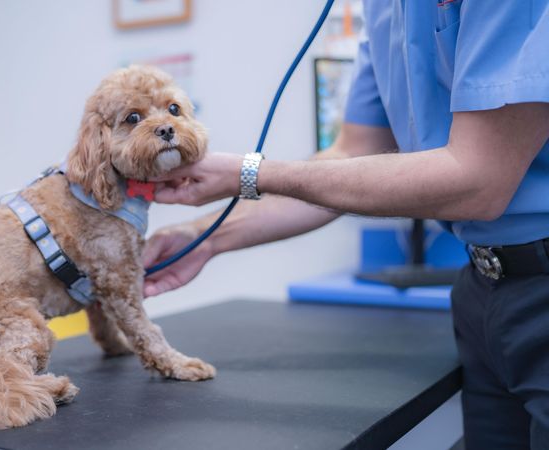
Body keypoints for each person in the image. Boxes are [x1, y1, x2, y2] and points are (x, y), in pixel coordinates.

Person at [143, 1, 549, 449]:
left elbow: (479, 181)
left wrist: (250, 173)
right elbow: (350, 156)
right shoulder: (384, 11)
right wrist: (202, 238)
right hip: (483, 290)